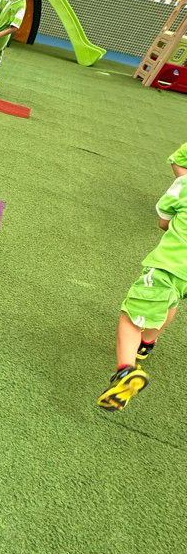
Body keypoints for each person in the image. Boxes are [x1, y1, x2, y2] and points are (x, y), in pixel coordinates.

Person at [98, 175, 187, 410]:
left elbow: (163, 222)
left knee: (131, 316)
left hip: (169, 265)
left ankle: (125, 371)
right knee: (172, 299)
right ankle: (146, 343)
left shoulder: (184, 184)